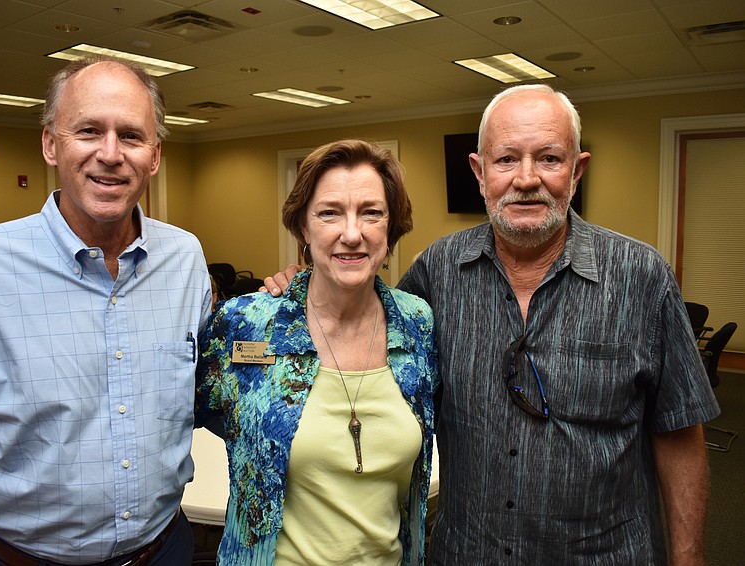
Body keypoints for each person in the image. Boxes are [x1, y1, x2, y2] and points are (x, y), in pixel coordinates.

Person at [266, 85, 720, 565]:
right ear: (479, 173)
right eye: (505, 160)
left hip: (603, 555)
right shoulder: (437, 273)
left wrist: (687, 558)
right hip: (468, 552)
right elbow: (362, 316)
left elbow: (678, 431)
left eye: (548, 158)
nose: (526, 179)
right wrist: (304, 286)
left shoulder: (641, 277)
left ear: (577, 170)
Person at [0, 57, 212, 565]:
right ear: (50, 144)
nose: (110, 154)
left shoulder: (185, 259)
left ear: (154, 156)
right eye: (88, 130)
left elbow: (208, 390)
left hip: (162, 551)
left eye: (131, 136)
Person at [195, 139, 438, 565]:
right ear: (303, 229)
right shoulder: (247, 323)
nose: (351, 233)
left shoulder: (417, 323)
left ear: (391, 227)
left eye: (371, 212)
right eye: (329, 213)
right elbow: (193, 416)